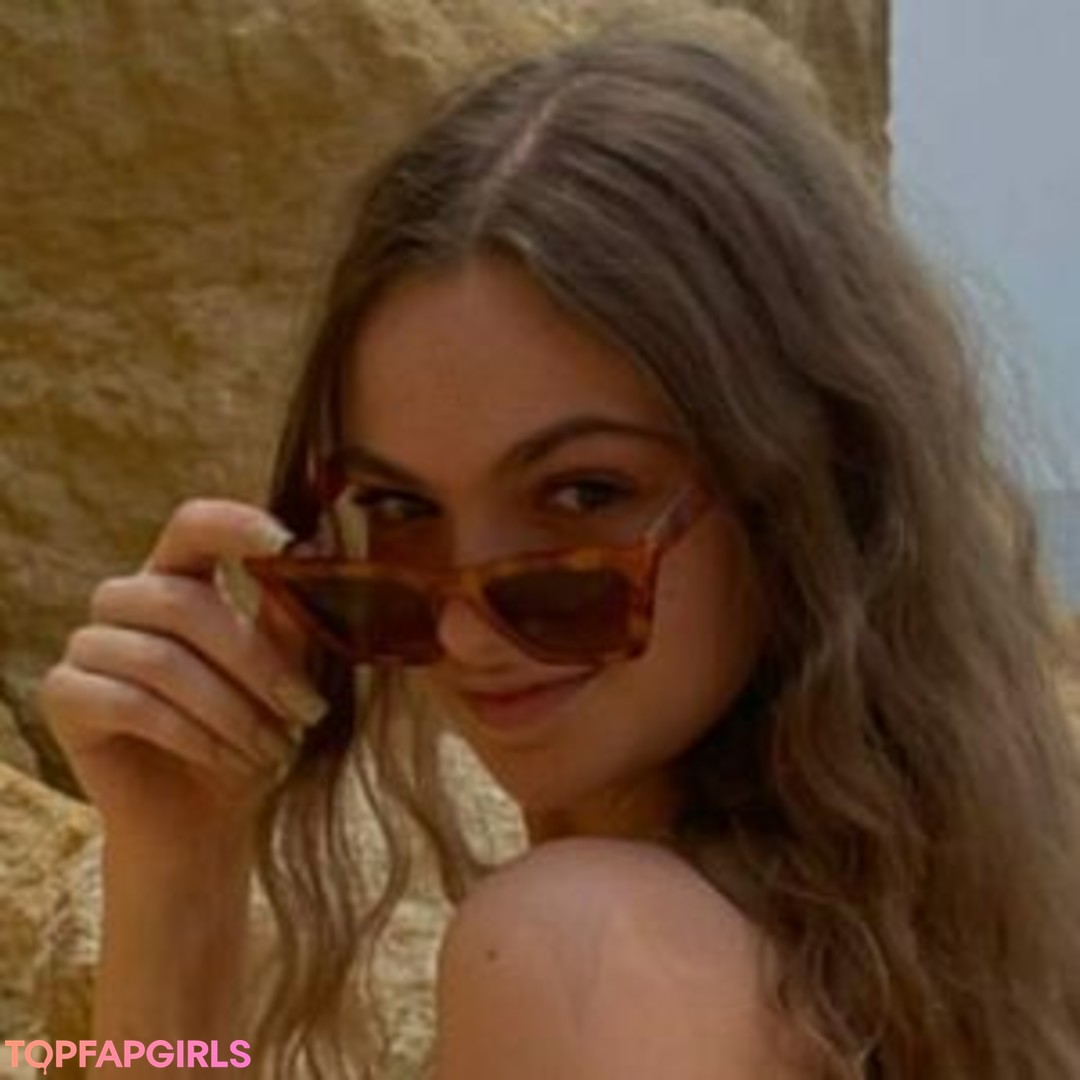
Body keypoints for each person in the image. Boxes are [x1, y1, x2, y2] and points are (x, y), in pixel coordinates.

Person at [38, 28, 1080, 1080]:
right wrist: (177, 861)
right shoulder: (895, 954)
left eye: (585, 495)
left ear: (800, 490)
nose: (460, 628)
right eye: (399, 508)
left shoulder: (582, 954)